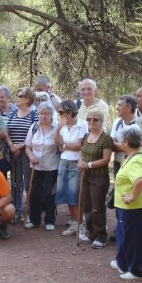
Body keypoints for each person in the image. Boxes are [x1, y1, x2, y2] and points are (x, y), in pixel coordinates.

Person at [110, 125, 142, 281]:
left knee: (133, 237)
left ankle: (137, 271)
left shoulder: (137, 159)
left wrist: (132, 196)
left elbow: (140, 180)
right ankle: (123, 262)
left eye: (120, 141)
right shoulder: (137, 153)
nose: (118, 143)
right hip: (126, 205)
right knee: (124, 234)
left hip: (133, 206)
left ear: (126, 142)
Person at [77, 111, 112, 248]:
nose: (91, 121)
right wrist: (80, 162)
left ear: (101, 121)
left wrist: (89, 165)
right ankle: (90, 232)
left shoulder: (106, 138)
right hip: (85, 175)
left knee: (97, 207)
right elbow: (82, 153)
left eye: (95, 119)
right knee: (86, 205)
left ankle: (101, 235)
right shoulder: (86, 136)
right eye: (89, 119)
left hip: (99, 176)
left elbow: (106, 159)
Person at [54, 100, 88, 236]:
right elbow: (57, 143)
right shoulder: (61, 125)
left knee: (75, 194)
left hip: (76, 161)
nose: (60, 115)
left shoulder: (82, 124)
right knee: (65, 193)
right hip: (64, 160)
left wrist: (64, 145)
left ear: (70, 112)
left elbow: (80, 145)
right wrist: (57, 130)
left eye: (62, 112)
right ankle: (75, 221)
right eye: (59, 112)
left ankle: (81, 224)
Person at [24, 101, 59, 230]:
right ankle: (34, 219)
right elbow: (28, 146)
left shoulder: (57, 128)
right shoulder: (34, 127)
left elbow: (60, 146)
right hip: (35, 166)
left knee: (49, 193)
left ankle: (50, 220)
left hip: (51, 166)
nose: (43, 116)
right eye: (41, 113)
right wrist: (31, 156)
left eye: (46, 113)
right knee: (34, 193)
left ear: (51, 114)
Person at [5, 87, 38, 222]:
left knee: (28, 183)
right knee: (15, 183)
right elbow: (6, 132)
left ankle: (28, 213)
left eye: (20, 96)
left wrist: (20, 145)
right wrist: (12, 145)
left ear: (28, 99)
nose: (17, 98)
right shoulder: (12, 114)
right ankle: (17, 212)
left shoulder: (33, 115)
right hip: (13, 153)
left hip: (27, 153)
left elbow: (34, 136)